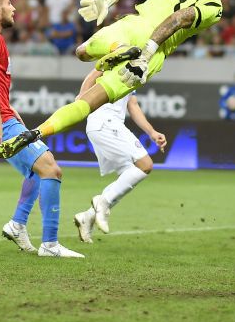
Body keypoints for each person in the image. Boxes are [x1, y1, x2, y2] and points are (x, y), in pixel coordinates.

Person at [0, 0, 235, 159]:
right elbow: (178, 18)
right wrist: (146, 53)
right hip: (152, 52)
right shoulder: (214, 7)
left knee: (81, 52)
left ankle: (33, 132)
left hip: (131, 26)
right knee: (86, 104)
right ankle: (38, 133)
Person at [0, 0, 83, 258]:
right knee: (51, 169)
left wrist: (6, 108)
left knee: (35, 171)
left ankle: (18, 224)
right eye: (9, 3)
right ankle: (50, 244)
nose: (13, 8)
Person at [72, 68, 167, 243]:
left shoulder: (134, 65)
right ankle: (102, 202)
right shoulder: (119, 55)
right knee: (145, 164)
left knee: (130, 175)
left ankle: (88, 217)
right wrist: (81, 98)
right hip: (105, 122)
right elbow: (94, 73)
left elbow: (132, 104)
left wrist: (152, 132)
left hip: (106, 124)